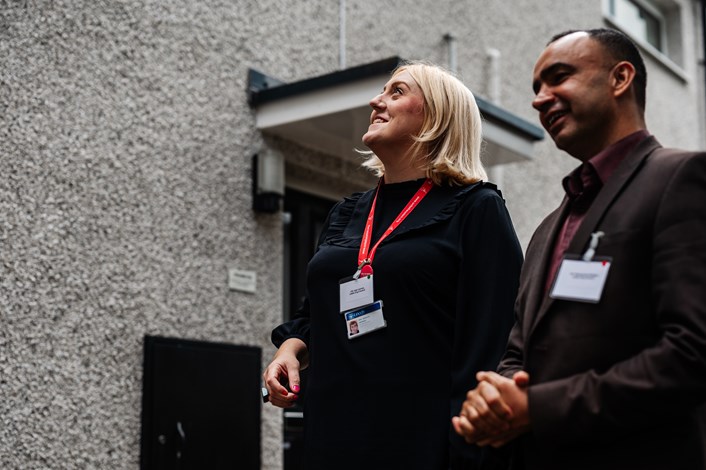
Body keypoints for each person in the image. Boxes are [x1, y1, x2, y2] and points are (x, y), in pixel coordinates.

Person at [452, 28, 706, 470]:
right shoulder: (548, 227)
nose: (539, 98)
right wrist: (498, 401)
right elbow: (519, 351)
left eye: (559, 77)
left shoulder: (680, 178)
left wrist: (537, 408)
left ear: (620, 78)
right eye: (536, 87)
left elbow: (692, 352)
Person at [263, 61, 523, 469]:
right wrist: (290, 351)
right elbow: (314, 316)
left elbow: (491, 344)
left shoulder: (476, 208)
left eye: (396, 92)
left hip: (421, 445)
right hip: (331, 440)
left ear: (436, 115)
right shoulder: (346, 212)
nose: (375, 101)